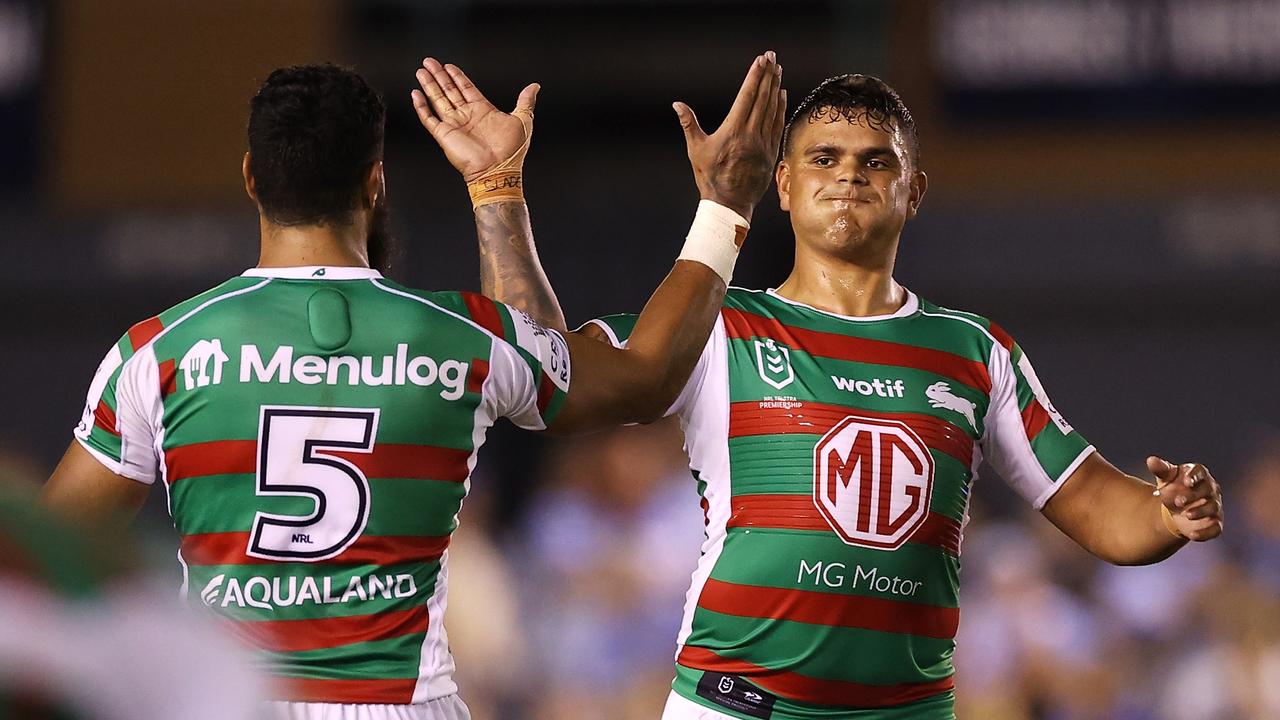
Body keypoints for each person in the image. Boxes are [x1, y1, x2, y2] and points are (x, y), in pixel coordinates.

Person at [449, 70, 1226, 719]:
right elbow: (543, 372)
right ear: (781, 186)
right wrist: (496, 189)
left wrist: (1166, 514)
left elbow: (1096, 504)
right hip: (737, 704)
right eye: (823, 157)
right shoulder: (719, 325)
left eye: (874, 161)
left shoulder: (974, 350)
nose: (849, 173)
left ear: (914, 189)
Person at [40, 54, 784, 720]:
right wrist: (725, 205)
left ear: (250, 178)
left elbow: (45, 553)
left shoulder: (158, 350)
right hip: (403, 707)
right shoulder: (462, 337)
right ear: (375, 181)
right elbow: (641, 379)